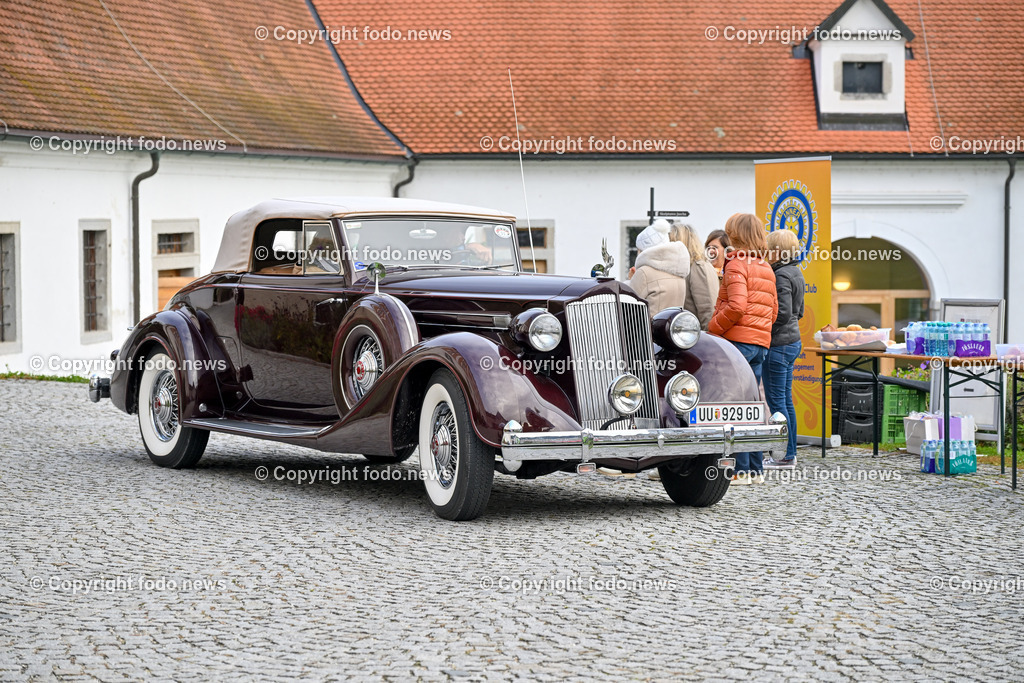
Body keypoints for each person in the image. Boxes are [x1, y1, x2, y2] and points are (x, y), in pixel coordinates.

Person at [708, 213, 778, 486]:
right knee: (751, 406)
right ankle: (754, 470)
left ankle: (739, 469)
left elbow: (736, 306)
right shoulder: (765, 266)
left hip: (737, 343)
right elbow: (774, 311)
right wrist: (760, 332)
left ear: (735, 236)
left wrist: (713, 329)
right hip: (760, 343)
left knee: (734, 408)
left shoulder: (736, 264)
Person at [763, 229, 805, 468]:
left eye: (769, 249)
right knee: (786, 401)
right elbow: (799, 312)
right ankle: (790, 452)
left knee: (777, 402)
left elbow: (784, 312)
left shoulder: (780, 275)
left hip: (778, 344)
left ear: (778, 251)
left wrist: (764, 324)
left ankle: (784, 456)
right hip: (793, 341)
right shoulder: (796, 271)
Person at [628, 219, 690, 316]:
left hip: (650, 328)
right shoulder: (678, 270)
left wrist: (632, 280)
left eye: (639, 250)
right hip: (673, 328)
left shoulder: (644, 273)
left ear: (644, 250)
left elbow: (628, 305)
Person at [670, 224, 719, 330]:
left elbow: (708, 309)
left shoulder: (697, 267)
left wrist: (708, 340)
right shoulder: (689, 267)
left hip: (697, 337)